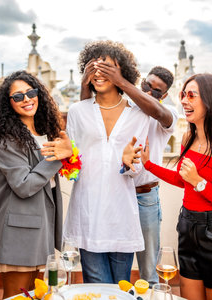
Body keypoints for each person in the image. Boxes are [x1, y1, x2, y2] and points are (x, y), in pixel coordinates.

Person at [136, 73, 212, 299]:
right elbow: (183, 180)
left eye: (191, 95)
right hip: (188, 228)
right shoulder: (189, 137)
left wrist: (200, 183)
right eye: (183, 94)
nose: (184, 101)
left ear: (211, 100)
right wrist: (149, 165)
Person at [59, 40, 151, 284]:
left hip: (121, 215)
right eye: (94, 67)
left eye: (107, 67)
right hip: (87, 213)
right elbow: (74, 165)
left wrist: (129, 164)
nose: (99, 73)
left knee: (120, 288)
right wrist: (66, 160)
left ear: (123, 72)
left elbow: (137, 170)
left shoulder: (138, 114)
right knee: (98, 287)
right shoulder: (78, 111)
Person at [82, 62, 178, 286]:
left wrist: (121, 81)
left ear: (164, 95)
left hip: (144, 197)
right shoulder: (125, 109)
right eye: (147, 85)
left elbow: (155, 110)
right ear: (142, 81)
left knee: (148, 272)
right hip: (115, 195)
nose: (149, 91)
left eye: (156, 90)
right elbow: (87, 116)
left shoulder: (166, 113)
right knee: (117, 265)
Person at [0, 70, 73, 298]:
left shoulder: (44, 134)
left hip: (41, 228)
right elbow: (23, 186)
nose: (26, 99)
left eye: (30, 92)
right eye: (17, 96)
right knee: (17, 297)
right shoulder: (8, 141)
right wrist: (59, 157)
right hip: (18, 233)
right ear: (9, 104)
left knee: (37, 295)